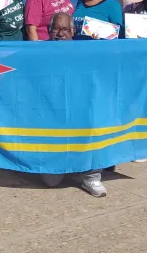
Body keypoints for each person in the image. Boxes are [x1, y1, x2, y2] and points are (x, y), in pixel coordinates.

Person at [39, 12, 108, 197]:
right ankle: (62, 165)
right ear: (50, 31)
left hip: (81, 113)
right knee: (50, 182)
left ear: (73, 31)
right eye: (57, 29)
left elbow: (119, 59)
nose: (61, 34)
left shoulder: (85, 50)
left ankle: (91, 176)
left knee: (93, 126)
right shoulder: (38, 52)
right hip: (53, 116)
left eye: (65, 29)